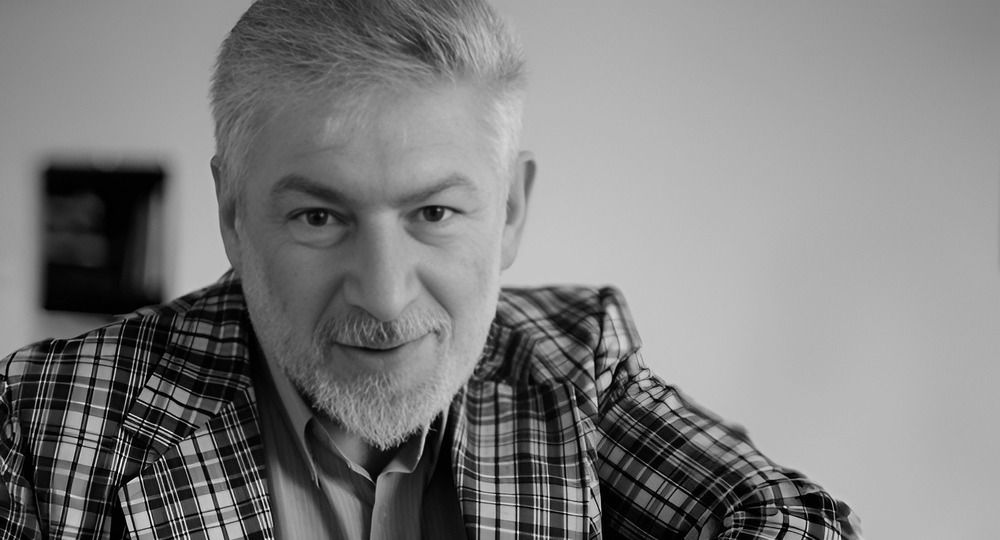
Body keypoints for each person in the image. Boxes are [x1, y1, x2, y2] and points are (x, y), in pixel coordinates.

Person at [0, 0, 862, 538]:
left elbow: (797, 522)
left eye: (435, 213)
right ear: (233, 213)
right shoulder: (41, 420)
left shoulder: (577, 366)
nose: (384, 295)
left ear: (511, 210)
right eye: (319, 217)